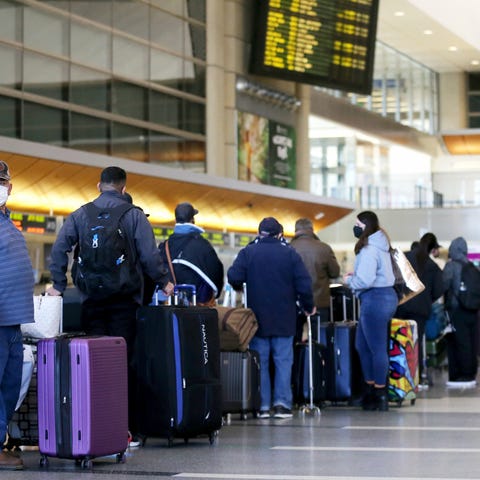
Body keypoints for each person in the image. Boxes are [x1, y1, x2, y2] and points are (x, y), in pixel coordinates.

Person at [47, 166, 174, 446]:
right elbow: (149, 256)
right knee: (124, 364)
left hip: (91, 302)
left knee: (91, 363)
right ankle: (127, 430)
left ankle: (93, 428)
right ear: (124, 189)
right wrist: (164, 281)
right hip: (125, 303)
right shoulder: (134, 215)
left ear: (98, 186)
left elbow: (59, 249)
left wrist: (57, 283)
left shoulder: (80, 214)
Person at [227, 217, 315, 419]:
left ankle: (263, 405)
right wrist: (309, 306)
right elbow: (304, 284)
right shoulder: (290, 254)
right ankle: (282, 404)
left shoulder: (248, 252)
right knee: (284, 360)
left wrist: (242, 286)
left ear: (259, 233)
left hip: (257, 319)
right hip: (285, 318)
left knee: (261, 362)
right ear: (280, 234)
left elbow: (234, 276)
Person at [343, 211, 397, 411]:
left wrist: (350, 280)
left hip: (375, 299)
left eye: (357, 224)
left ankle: (379, 394)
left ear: (365, 226)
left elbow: (365, 281)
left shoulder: (369, 249)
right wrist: (357, 274)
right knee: (363, 346)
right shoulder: (380, 245)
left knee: (375, 348)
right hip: (386, 297)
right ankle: (371, 388)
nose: (355, 227)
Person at [0, 161, 34, 470]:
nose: (4, 187)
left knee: (10, 386)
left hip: (12, 320)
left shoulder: (6, 220)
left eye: (4, 181)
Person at [395, 233, 444, 388]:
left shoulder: (404, 257)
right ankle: (416, 377)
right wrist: (427, 299)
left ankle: (398, 376)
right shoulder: (432, 265)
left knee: (398, 340)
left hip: (400, 305)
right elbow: (439, 289)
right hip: (420, 310)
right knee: (416, 342)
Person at [158, 202, 224, 306]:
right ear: (192, 220)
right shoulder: (201, 245)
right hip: (196, 307)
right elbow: (216, 271)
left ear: (176, 220)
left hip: (171, 306)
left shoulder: (165, 246)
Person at [290, 217, 340, 339]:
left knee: (293, 340)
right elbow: (335, 272)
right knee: (319, 339)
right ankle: (318, 358)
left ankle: (298, 358)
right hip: (320, 302)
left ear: (296, 231)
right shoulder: (324, 248)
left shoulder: (287, 248)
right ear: (312, 230)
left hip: (293, 303)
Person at [442, 236, 478, 387]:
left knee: (459, 342)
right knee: (471, 342)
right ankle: (471, 372)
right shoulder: (472, 266)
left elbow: (442, 285)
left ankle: (462, 375)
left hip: (457, 310)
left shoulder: (451, 266)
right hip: (472, 309)